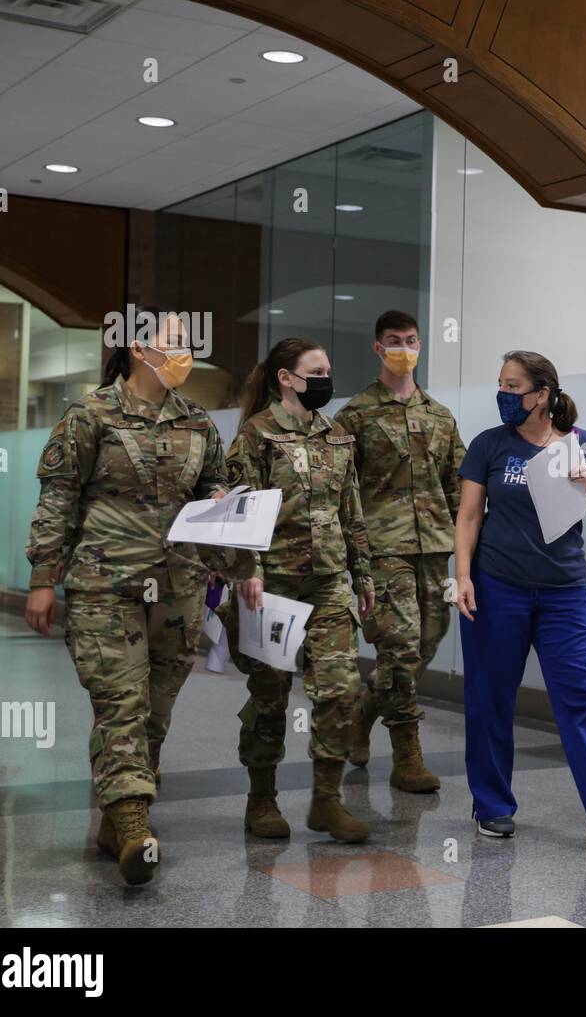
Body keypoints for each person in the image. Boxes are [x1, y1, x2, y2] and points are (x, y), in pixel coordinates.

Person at [23, 308, 250, 886]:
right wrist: (42, 579)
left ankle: (116, 820)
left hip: (179, 587)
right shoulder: (90, 414)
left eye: (190, 342)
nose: (186, 352)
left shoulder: (197, 422)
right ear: (137, 348)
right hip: (105, 582)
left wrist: (229, 509)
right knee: (121, 701)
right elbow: (58, 499)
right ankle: (132, 827)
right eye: (174, 341)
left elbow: (211, 488)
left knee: (157, 707)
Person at [453, 350, 586, 846]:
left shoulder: (585, 445)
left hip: (565, 593)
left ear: (542, 394)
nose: (504, 394)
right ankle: (492, 806)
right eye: (501, 383)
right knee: (491, 696)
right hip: (498, 587)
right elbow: (470, 517)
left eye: (513, 385)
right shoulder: (489, 445)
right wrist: (462, 576)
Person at [220, 338, 377, 843]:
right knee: (270, 697)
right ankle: (261, 798)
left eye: (329, 370)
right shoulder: (257, 434)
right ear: (286, 378)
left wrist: (364, 575)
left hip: (329, 583)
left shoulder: (338, 435)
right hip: (274, 588)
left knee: (341, 691)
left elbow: (351, 511)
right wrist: (248, 570)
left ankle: (326, 801)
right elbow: (240, 509)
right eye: (316, 371)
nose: (326, 379)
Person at [335, 311, 465, 791]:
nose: (404, 348)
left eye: (412, 340)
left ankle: (364, 712)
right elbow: (342, 491)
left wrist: (468, 553)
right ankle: (407, 757)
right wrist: (354, 557)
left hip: (434, 548)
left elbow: (458, 488)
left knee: (424, 645)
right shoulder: (355, 415)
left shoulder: (440, 416)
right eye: (394, 340)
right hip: (383, 549)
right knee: (400, 646)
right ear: (377, 347)